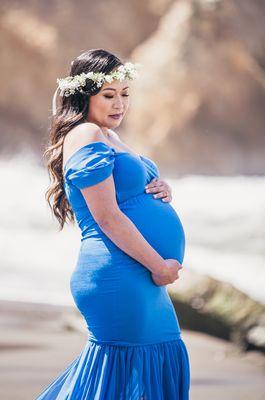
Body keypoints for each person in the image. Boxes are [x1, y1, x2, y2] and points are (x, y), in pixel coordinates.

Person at [35, 48, 190, 399]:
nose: (119, 103)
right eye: (108, 95)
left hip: (137, 276)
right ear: (83, 94)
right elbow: (107, 216)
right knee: (123, 381)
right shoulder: (86, 134)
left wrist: (160, 188)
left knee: (148, 368)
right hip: (120, 273)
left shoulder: (109, 137)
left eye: (124, 94)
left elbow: (125, 193)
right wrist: (158, 264)